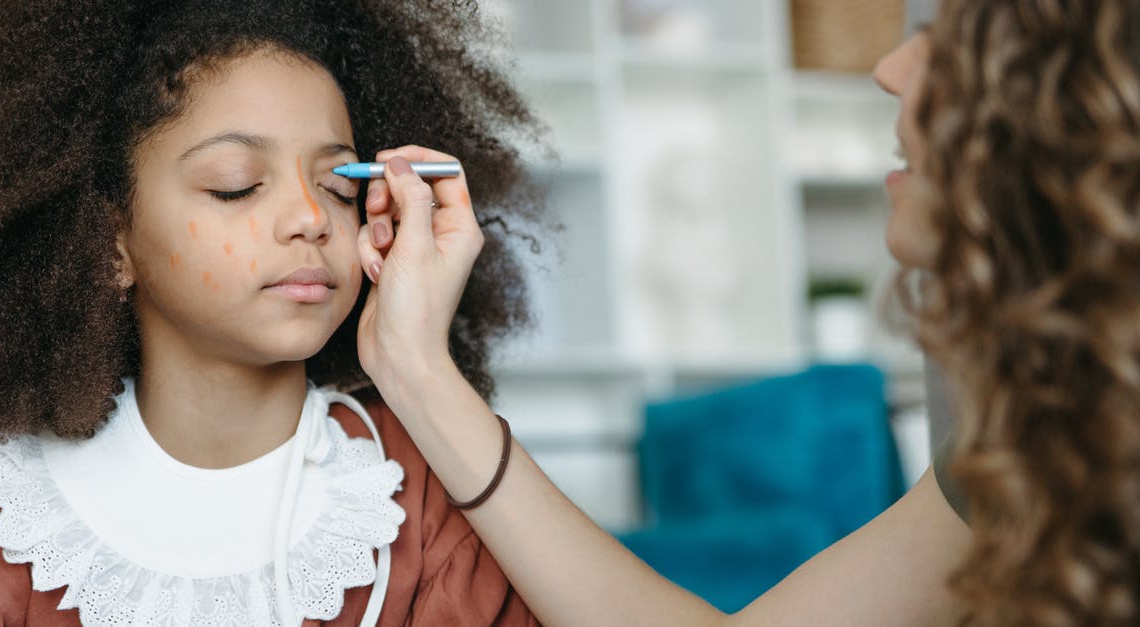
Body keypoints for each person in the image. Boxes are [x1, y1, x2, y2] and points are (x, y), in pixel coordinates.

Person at [352, 1, 1140, 625]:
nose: (890, 69)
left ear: (1081, 103)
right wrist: (416, 367)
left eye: (947, 42)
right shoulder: (1028, 445)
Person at [0, 1, 547, 625]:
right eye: (236, 184)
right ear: (107, 241)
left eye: (340, 187)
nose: (313, 217)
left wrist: (420, 364)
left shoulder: (423, 502)